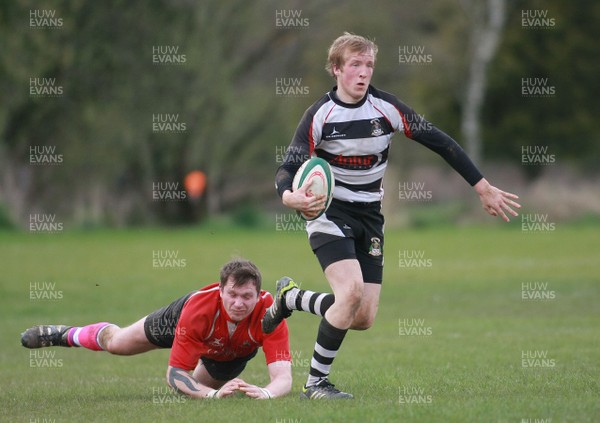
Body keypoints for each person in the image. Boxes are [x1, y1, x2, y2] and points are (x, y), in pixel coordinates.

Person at [262, 32, 521, 400]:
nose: (363, 72)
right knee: (349, 293)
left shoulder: (387, 108)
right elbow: (288, 166)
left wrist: (482, 187)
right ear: (336, 69)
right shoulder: (319, 115)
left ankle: (290, 299)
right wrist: (289, 196)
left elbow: (440, 141)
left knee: (362, 316)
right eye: (355, 64)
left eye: (369, 64)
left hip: (370, 217)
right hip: (329, 213)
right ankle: (315, 384)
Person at [22, 258, 292, 399]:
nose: (239, 303)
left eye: (247, 296)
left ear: (259, 295)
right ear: (220, 290)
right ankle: (64, 334)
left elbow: (283, 379)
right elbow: (174, 373)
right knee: (117, 344)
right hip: (179, 320)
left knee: (191, 394)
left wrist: (266, 393)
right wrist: (213, 396)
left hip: (231, 354)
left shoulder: (270, 315)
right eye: (232, 294)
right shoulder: (198, 309)